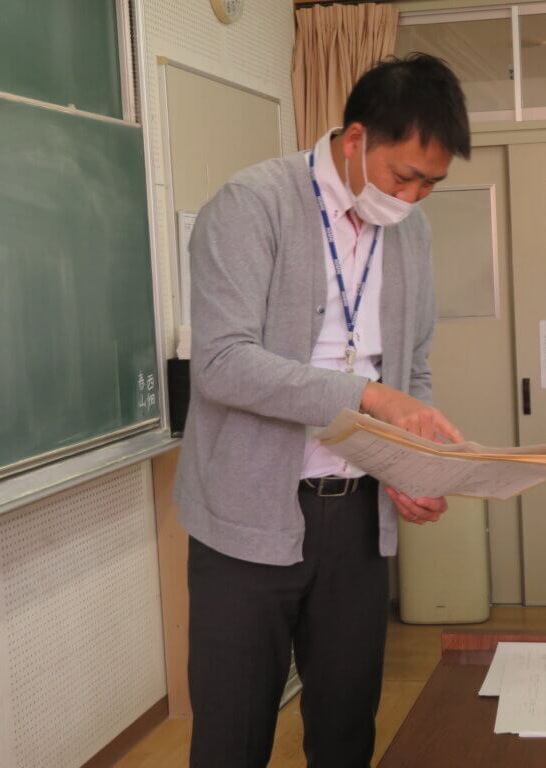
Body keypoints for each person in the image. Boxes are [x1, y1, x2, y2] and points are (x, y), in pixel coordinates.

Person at [174, 54, 470, 768]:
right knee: (232, 738)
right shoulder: (253, 205)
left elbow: (412, 369)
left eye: (431, 184)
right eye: (404, 176)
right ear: (356, 138)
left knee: (345, 729)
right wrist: (368, 396)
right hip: (246, 522)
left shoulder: (411, 233)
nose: (414, 197)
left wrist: (413, 465)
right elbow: (221, 363)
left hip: (357, 521)